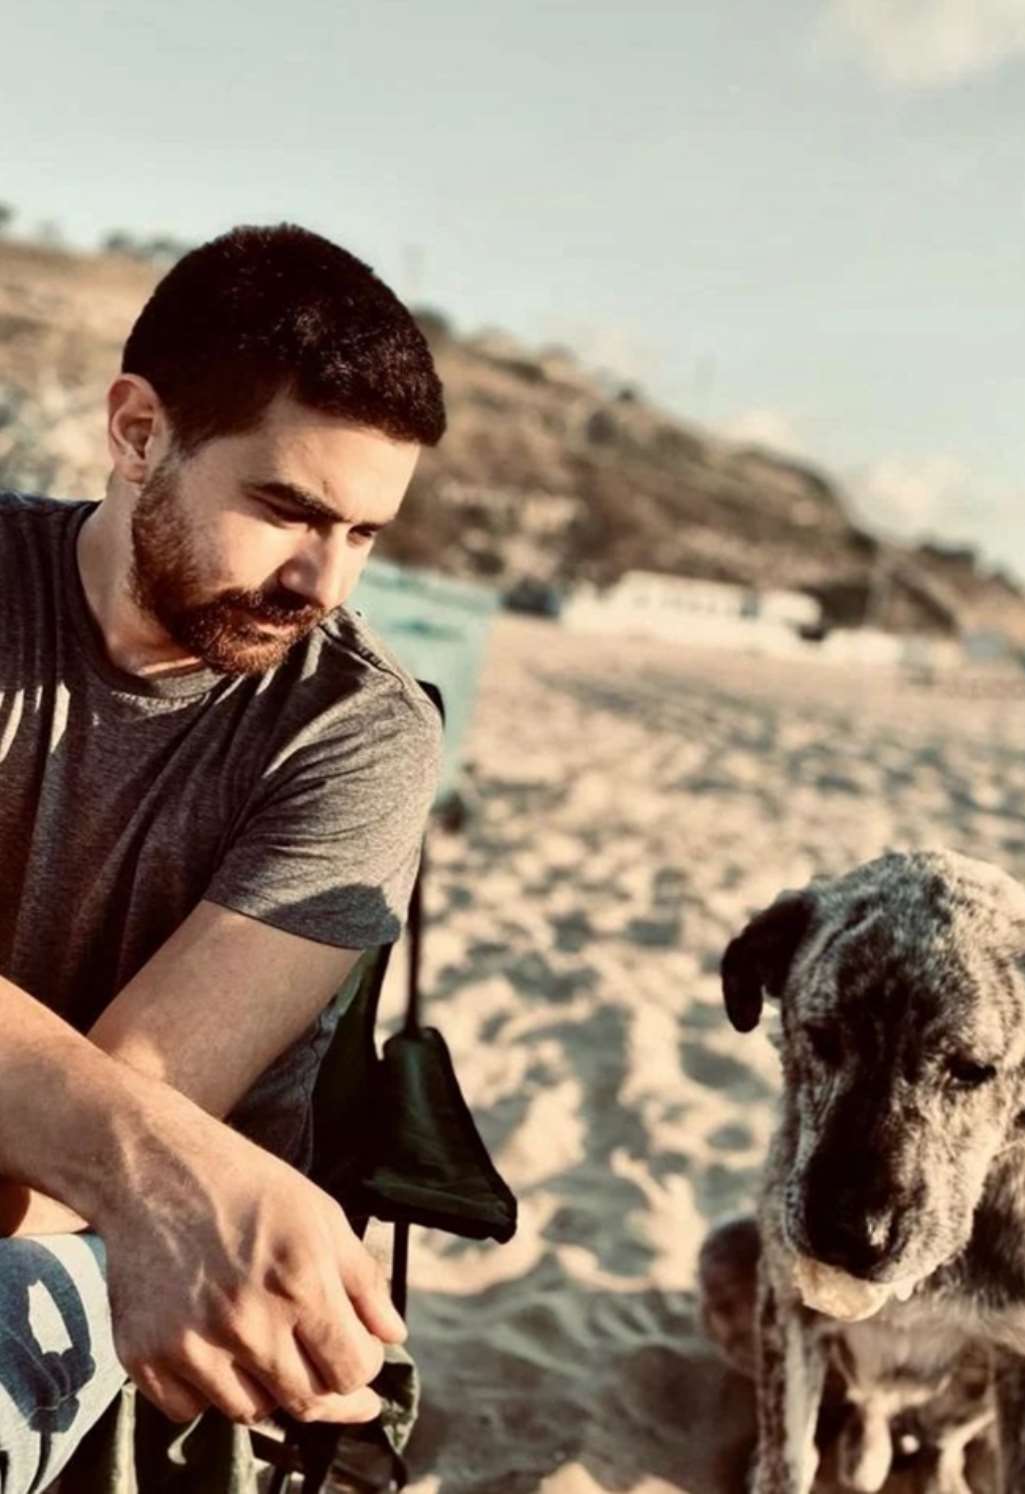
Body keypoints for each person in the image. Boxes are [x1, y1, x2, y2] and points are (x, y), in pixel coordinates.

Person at [0, 223, 447, 1491]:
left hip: (107, 1229)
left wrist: (110, 1142)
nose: (322, 581)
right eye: (287, 509)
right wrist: (115, 1137)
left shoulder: (356, 731)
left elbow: (130, 1107)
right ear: (138, 431)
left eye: (364, 534)